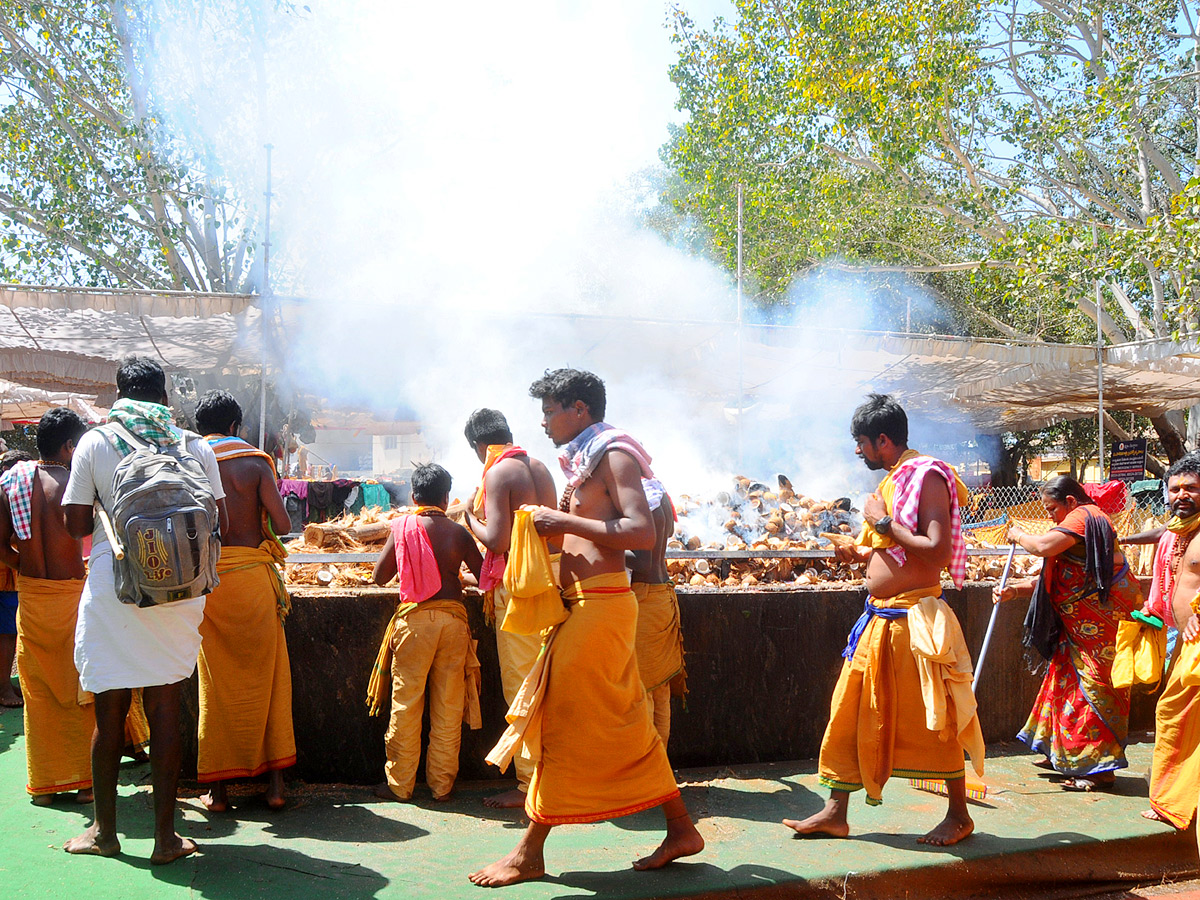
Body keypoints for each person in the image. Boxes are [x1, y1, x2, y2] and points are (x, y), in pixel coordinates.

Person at [469, 368, 704, 888]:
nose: (545, 421)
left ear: (580, 409)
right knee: (622, 719)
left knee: (559, 716)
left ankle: (530, 851)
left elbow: (640, 531)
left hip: (602, 605)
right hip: (583, 603)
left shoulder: (614, 455)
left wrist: (563, 522)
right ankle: (681, 829)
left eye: (551, 410)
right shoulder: (585, 460)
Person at [784, 393, 984, 846]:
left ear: (883, 439)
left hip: (918, 623)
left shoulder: (927, 476)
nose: (858, 452)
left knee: (939, 719)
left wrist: (882, 520)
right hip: (879, 623)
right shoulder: (896, 480)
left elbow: (934, 548)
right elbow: (892, 550)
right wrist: (861, 546)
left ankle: (958, 815)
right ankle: (835, 812)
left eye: (861, 443)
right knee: (848, 710)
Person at [61, 356, 228, 865]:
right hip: (180, 593)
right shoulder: (193, 444)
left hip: (117, 588)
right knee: (165, 712)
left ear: (119, 393)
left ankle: (105, 833)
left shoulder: (95, 441)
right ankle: (165, 840)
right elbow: (215, 516)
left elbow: (73, 525)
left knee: (109, 715)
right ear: (164, 396)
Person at [993, 475, 1141, 790]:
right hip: (1077, 625)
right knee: (1064, 681)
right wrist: (1015, 591)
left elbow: (1043, 547)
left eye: (1051, 510)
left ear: (1071, 501)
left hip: (1100, 625)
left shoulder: (1084, 516)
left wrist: (1018, 533)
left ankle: (1097, 770)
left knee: (1095, 690)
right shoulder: (1079, 523)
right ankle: (1062, 753)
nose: (1050, 517)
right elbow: (1064, 574)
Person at [194, 390, 296, 813]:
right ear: (235, 425)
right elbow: (284, 524)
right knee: (271, 681)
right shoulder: (256, 463)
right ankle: (274, 787)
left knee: (214, 688)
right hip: (253, 580)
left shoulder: (192, 461)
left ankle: (217, 793)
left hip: (211, 583)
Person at [368, 463, 484, 803]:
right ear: (447, 498)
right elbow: (484, 575)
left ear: (414, 496)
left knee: (406, 705)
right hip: (453, 624)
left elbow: (379, 577)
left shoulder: (403, 527)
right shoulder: (459, 534)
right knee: (449, 708)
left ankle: (399, 786)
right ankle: (442, 786)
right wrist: (456, 577)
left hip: (415, 625)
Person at [462, 408, 559, 808]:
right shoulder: (539, 467)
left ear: (480, 446)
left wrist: (469, 518)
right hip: (552, 581)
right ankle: (556, 774)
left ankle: (528, 785)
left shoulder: (498, 473)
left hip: (520, 590)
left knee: (521, 686)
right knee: (550, 683)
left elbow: (498, 542)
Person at [0, 412, 92, 804]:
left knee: (36, 691)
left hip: (32, 595)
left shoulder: (11, 483)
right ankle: (85, 783)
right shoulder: (75, 483)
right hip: (71, 596)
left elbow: (1, 547)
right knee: (78, 687)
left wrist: (28, 567)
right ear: (70, 446)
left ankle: (45, 786)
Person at [1139, 453, 1200, 830]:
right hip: (1185, 642)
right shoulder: (1181, 531)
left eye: (1191, 488)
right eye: (1175, 488)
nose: (1181, 495)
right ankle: (1176, 799)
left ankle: (1178, 800)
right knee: (1176, 715)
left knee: (1175, 715)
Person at [628, 490, 686, 746]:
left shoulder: (639, 497)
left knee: (644, 690)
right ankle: (658, 767)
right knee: (659, 690)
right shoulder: (656, 492)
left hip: (646, 599)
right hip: (662, 595)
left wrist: (594, 541)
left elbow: (642, 561)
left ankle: (649, 772)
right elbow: (669, 531)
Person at [0, 449, 34, 708]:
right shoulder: (8, 495)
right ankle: (3, 689)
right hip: (5, 579)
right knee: (7, 633)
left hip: (8, 577)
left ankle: (4, 684)